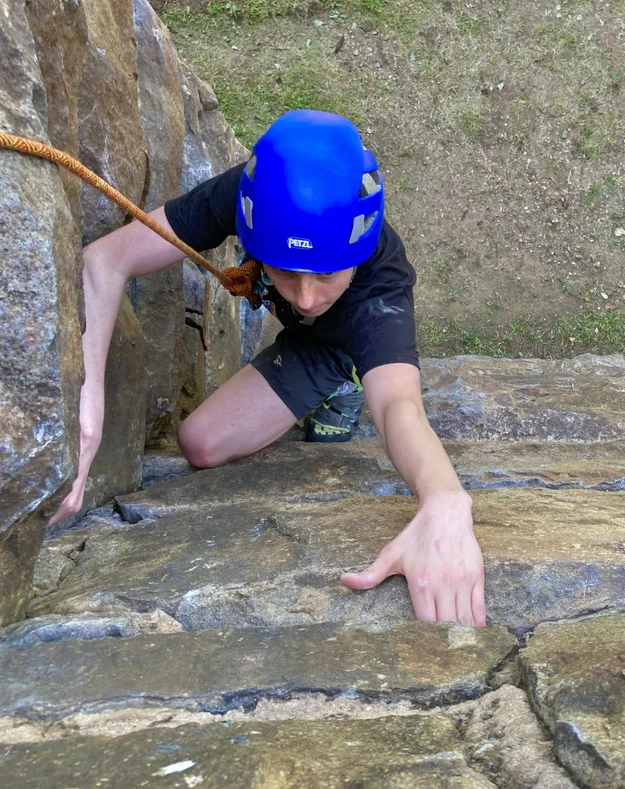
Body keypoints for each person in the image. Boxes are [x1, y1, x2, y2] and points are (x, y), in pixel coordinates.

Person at [49, 109, 486, 627]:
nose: (304, 298)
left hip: (331, 348)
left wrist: (444, 499)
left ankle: (343, 382)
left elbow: (398, 407)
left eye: (326, 274)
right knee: (200, 444)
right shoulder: (252, 198)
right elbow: (105, 260)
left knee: (339, 385)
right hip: (306, 340)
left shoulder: (379, 290)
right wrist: (88, 409)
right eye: (284, 270)